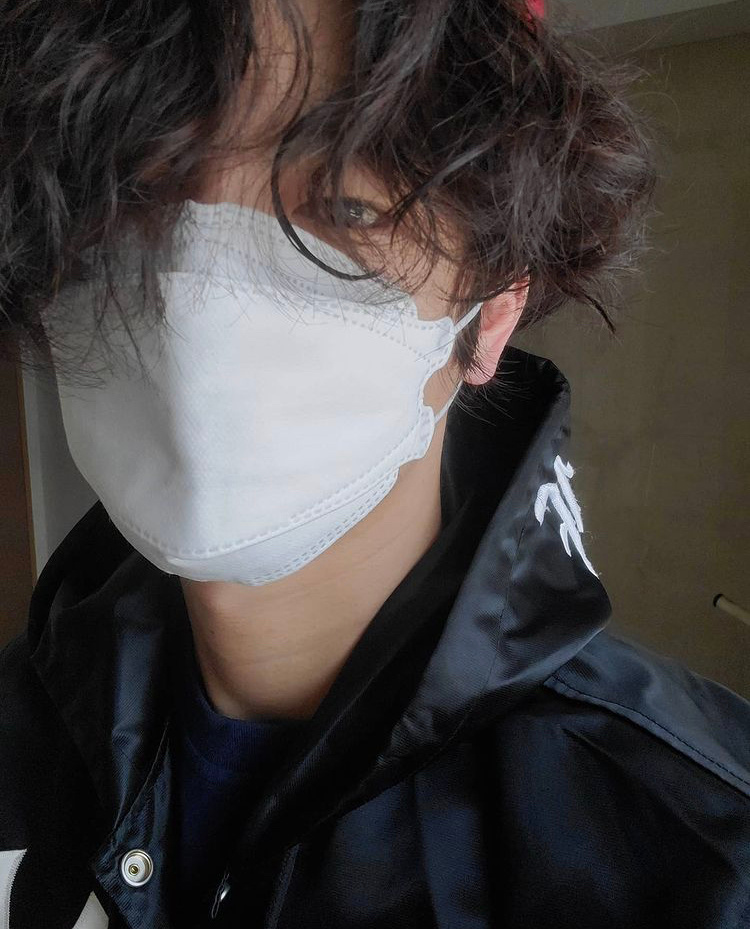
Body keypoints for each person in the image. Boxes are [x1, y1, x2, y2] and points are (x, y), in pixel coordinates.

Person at [0, 0, 748, 927]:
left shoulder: (704, 851)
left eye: (342, 208)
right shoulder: (20, 737)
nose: (194, 304)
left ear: (492, 315)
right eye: (140, 199)